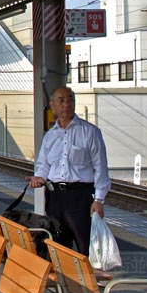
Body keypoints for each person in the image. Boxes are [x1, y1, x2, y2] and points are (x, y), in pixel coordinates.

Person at [28, 86, 110, 256]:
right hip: (55, 196)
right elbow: (43, 165)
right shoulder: (50, 136)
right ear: (53, 105)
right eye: (62, 100)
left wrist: (99, 200)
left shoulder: (90, 132)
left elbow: (100, 167)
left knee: (85, 245)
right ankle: (64, 282)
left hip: (80, 197)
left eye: (70, 99)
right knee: (57, 245)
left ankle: (89, 281)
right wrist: (39, 178)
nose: (67, 104)